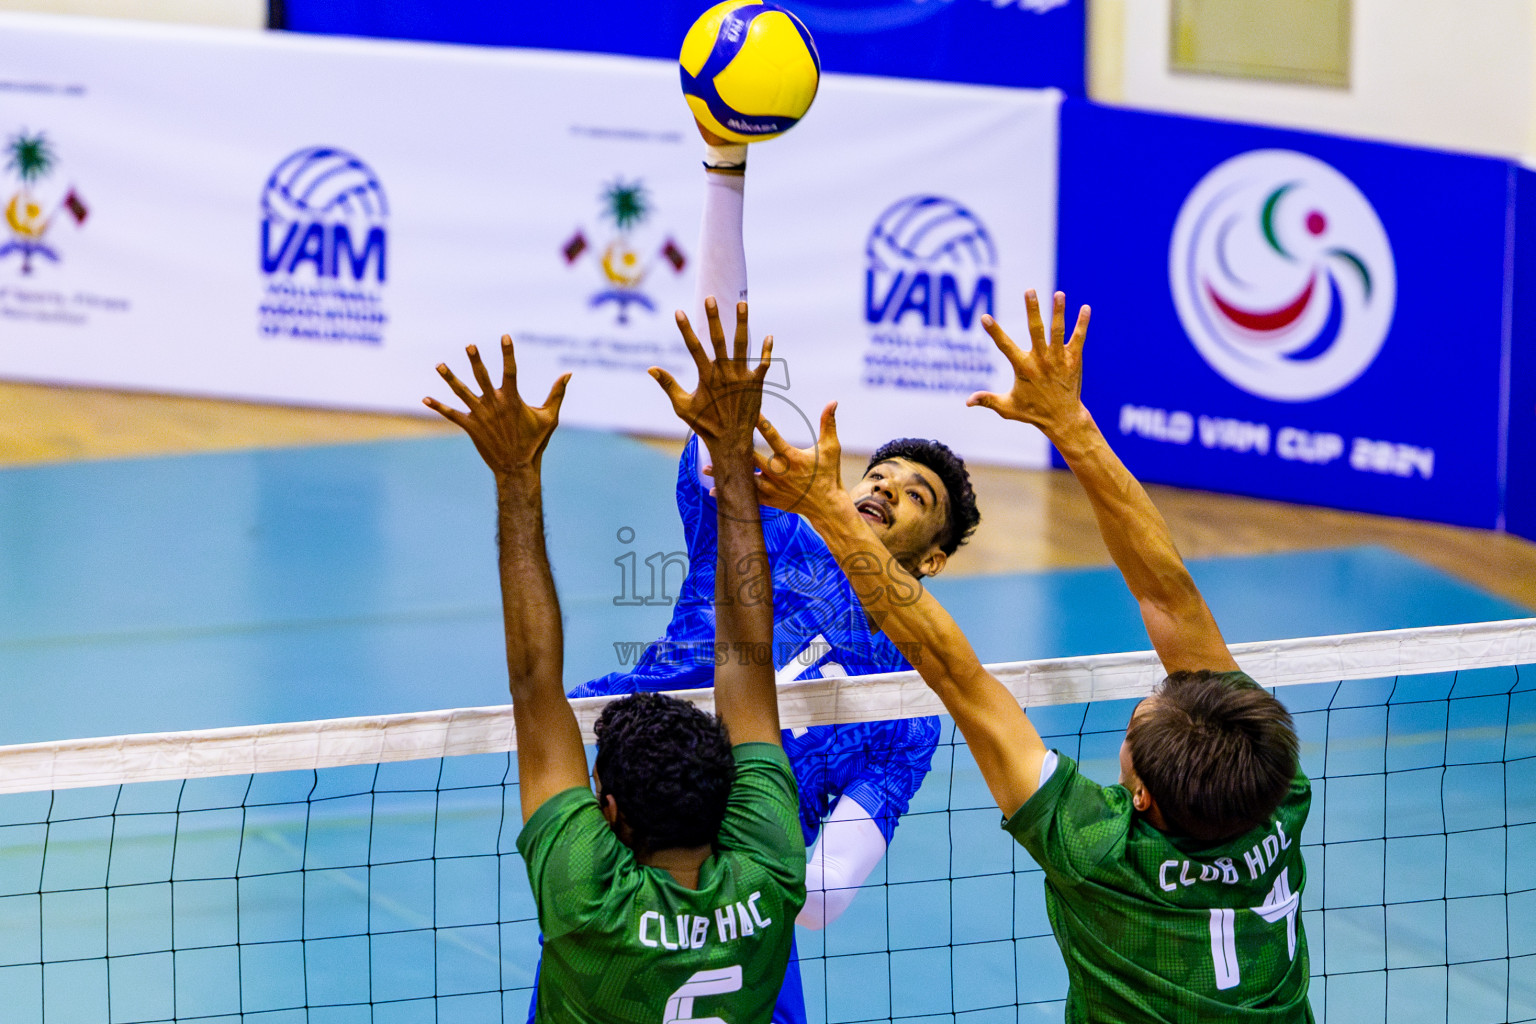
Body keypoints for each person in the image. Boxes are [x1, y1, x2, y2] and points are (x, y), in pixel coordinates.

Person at [754, 289, 1312, 1022]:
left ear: (1140, 798)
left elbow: (954, 673)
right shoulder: (1271, 787)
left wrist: (833, 514)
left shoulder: (1100, 849)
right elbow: (1170, 602)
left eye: (1137, 728)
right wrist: (1069, 425)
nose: (1161, 689)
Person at [565, 127, 982, 1023]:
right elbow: (723, 371)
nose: (886, 489)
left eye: (917, 498)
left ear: (934, 558)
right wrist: (726, 172)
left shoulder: (910, 708)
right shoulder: (771, 530)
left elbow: (828, 893)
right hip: (632, 822)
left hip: (738, 897)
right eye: (881, 474)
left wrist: (734, 854)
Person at [423, 298, 805, 1023]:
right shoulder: (771, 867)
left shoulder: (588, 895)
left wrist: (516, 475)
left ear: (612, 815)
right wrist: (732, 451)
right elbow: (748, 666)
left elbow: (538, 681)